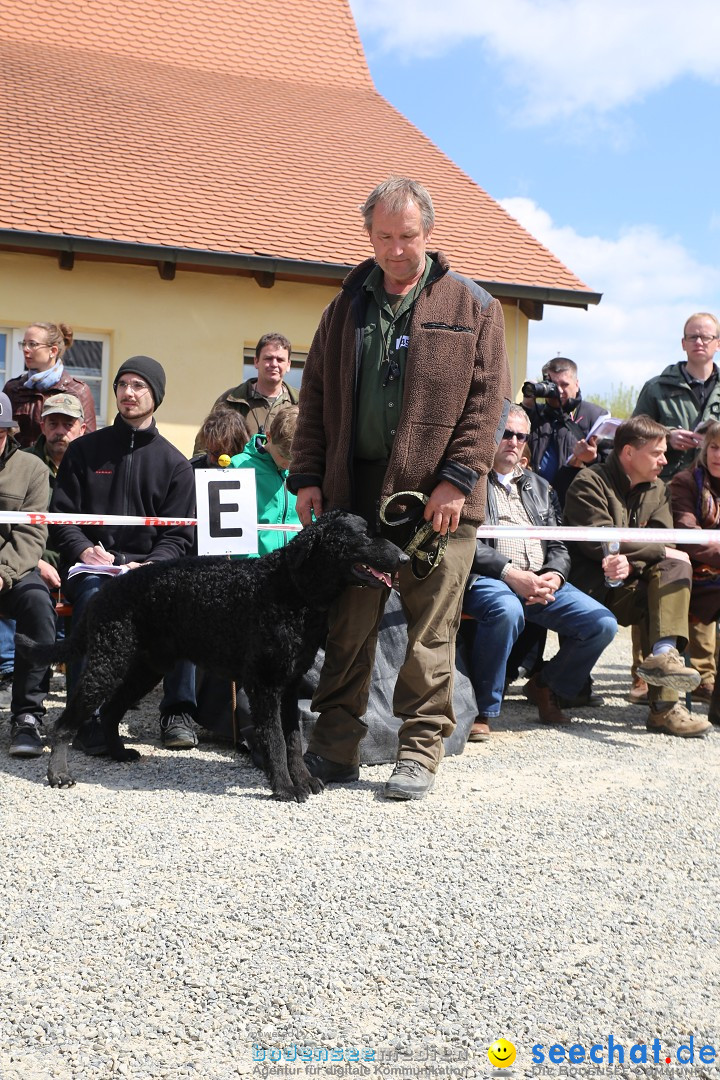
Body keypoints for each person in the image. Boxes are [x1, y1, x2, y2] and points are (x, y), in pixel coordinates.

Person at [288, 175, 511, 801]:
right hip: (353, 497)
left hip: (439, 499)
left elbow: (487, 403)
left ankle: (418, 753)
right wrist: (308, 476)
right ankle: (333, 750)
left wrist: (458, 480)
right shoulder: (343, 308)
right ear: (368, 234)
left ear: (428, 232)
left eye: (405, 236)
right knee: (347, 627)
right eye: (382, 236)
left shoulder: (475, 306)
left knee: (429, 632)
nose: (393, 249)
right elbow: (316, 400)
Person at [50, 356, 197, 751]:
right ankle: (87, 718)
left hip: (150, 570)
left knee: (184, 605)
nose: (128, 393)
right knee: (97, 602)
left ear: (156, 396)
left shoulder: (176, 465)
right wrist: (84, 550)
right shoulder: (83, 452)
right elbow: (60, 519)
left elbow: (180, 535)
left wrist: (149, 566)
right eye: (122, 384)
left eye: (139, 386)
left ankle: (178, 713)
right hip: (91, 570)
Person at [462, 405, 617, 737]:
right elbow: (463, 540)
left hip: (542, 579)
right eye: (507, 434)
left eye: (521, 436)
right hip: (490, 579)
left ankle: (547, 685)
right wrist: (510, 575)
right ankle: (482, 709)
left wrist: (555, 575)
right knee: (505, 609)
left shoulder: (540, 486)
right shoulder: (469, 480)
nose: (514, 442)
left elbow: (559, 545)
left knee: (601, 624)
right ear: (491, 434)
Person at [563, 414, 710, 738]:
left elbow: (667, 541)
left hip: (633, 583)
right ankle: (549, 680)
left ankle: (665, 702)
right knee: (671, 566)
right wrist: (650, 553)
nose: (665, 460)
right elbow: (600, 540)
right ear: (629, 453)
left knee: (673, 576)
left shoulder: (659, 488)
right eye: (657, 453)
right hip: (591, 589)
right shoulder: (588, 482)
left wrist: (634, 562)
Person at [632, 312, 720, 701]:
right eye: (692, 337)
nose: (699, 342)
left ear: (717, 342)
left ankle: (703, 676)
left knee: (698, 574)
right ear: (682, 343)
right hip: (661, 488)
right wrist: (668, 435)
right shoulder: (658, 386)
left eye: (706, 337)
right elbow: (633, 430)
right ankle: (644, 671)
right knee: (654, 569)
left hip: (713, 493)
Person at [0, 392, 58, 757]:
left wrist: (3, 572)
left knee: (39, 605)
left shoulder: (31, 469)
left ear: (9, 432)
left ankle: (28, 716)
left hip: (13, 570)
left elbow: (32, 535)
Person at [670, 421, 720, 716]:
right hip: (695, 575)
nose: (717, 455)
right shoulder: (685, 482)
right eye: (714, 447)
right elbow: (691, 538)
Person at [523, 356, 609, 506]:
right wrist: (527, 404)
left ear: (577, 384)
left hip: (577, 503)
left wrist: (592, 460)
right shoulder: (534, 414)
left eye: (565, 384)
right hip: (534, 503)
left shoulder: (596, 416)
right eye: (553, 385)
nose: (559, 391)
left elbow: (614, 467)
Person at [194, 332, 299, 452]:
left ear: (288, 365)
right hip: (239, 469)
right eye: (268, 358)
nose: (274, 364)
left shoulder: (302, 403)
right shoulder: (231, 399)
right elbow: (204, 445)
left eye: (280, 359)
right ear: (256, 361)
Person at [3, 322, 97, 448]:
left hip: (61, 465)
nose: (26, 349)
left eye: (32, 344)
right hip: (21, 466)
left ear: (53, 351)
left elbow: (89, 441)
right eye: (24, 344)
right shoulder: (13, 388)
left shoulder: (77, 390)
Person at [229, 405, 300, 556]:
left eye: (294, 458)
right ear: (269, 436)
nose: (288, 464)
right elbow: (233, 527)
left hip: (296, 566)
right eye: (283, 455)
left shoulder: (305, 469)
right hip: (253, 565)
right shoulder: (239, 466)